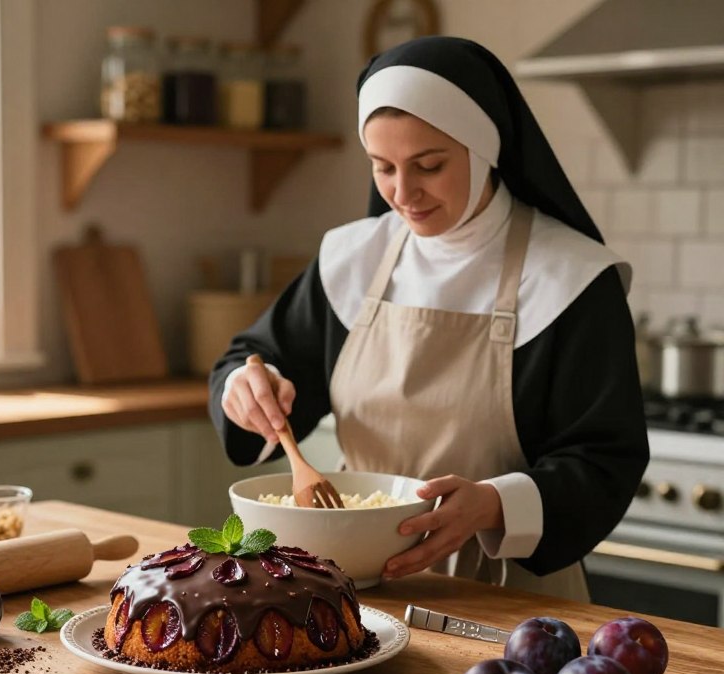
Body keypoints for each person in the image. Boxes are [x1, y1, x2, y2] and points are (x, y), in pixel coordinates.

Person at [207, 36, 649, 601]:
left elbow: (606, 460)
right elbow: (250, 359)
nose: (402, 193)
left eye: (429, 165)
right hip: (355, 589)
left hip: (511, 599)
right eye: (382, 168)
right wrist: (245, 392)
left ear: (484, 146)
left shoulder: (572, 278)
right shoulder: (352, 259)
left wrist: (493, 504)